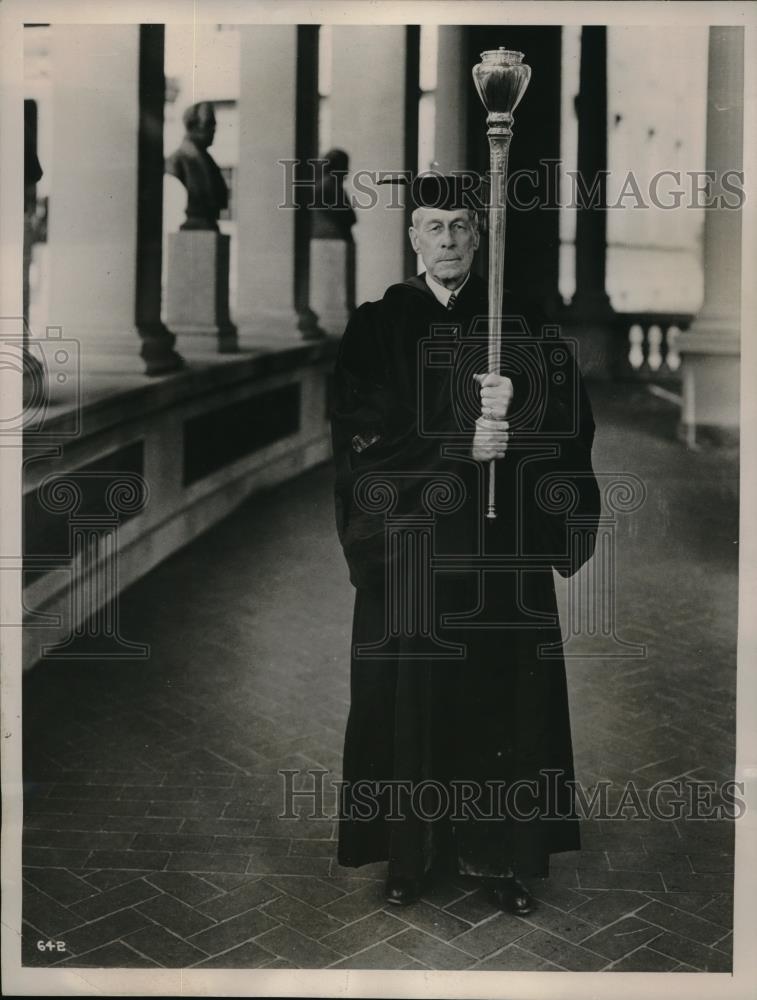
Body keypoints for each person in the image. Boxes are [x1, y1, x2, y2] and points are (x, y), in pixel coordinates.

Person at [329, 173, 600, 917]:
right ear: (412, 238)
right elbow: (360, 435)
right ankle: (410, 857)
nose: (447, 240)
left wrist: (523, 403)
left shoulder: (518, 319)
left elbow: (570, 424)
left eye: (460, 226)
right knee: (410, 691)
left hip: (497, 552)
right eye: (432, 226)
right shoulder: (377, 325)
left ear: (480, 236)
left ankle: (501, 857)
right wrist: (457, 444)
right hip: (413, 547)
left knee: (500, 693)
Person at [165, 101, 229, 231]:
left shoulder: (209, 161)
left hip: (209, 228)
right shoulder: (177, 160)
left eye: (214, 124)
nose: (214, 129)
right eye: (209, 123)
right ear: (192, 126)